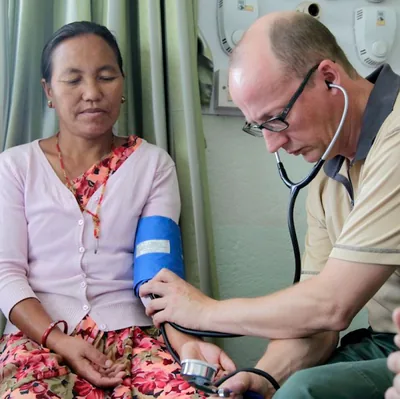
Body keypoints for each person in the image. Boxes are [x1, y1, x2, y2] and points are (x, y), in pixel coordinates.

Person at [140, 10, 400, 399]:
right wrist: (262, 376)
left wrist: (204, 311)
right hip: (385, 343)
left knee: (305, 391)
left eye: (276, 119)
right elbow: (314, 321)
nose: (272, 144)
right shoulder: (328, 176)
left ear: (329, 79)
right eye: (258, 127)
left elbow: (331, 306)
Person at [0, 21, 235, 399]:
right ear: (48, 92)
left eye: (106, 77)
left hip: (132, 336)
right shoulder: (15, 167)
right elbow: (5, 272)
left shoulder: (153, 165)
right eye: (73, 80)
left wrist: (183, 341)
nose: (92, 93)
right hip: (39, 337)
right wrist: (58, 340)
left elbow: (156, 272)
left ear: (123, 85)